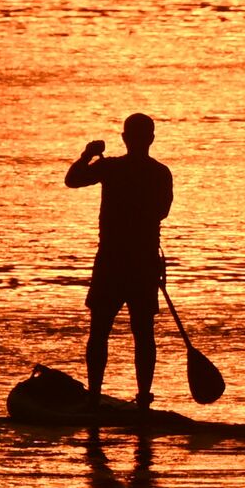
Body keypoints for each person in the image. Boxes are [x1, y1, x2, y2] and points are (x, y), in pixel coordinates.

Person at [64, 113, 173, 410]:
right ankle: (142, 399)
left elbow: (73, 179)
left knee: (101, 331)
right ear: (151, 139)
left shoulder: (111, 167)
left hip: (114, 262)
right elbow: (162, 212)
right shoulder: (159, 173)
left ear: (125, 138)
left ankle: (95, 396)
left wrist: (87, 155)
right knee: (142, 333)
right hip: (141, 263)